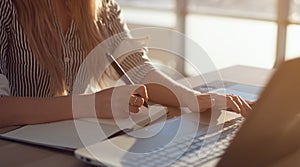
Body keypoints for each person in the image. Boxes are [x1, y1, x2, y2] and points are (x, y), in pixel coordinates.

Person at [0, 0, 252, 128]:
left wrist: (192, 98)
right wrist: (92, 104)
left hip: (75, 139)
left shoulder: (100, 6)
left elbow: (138, 68)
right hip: (17, 149)